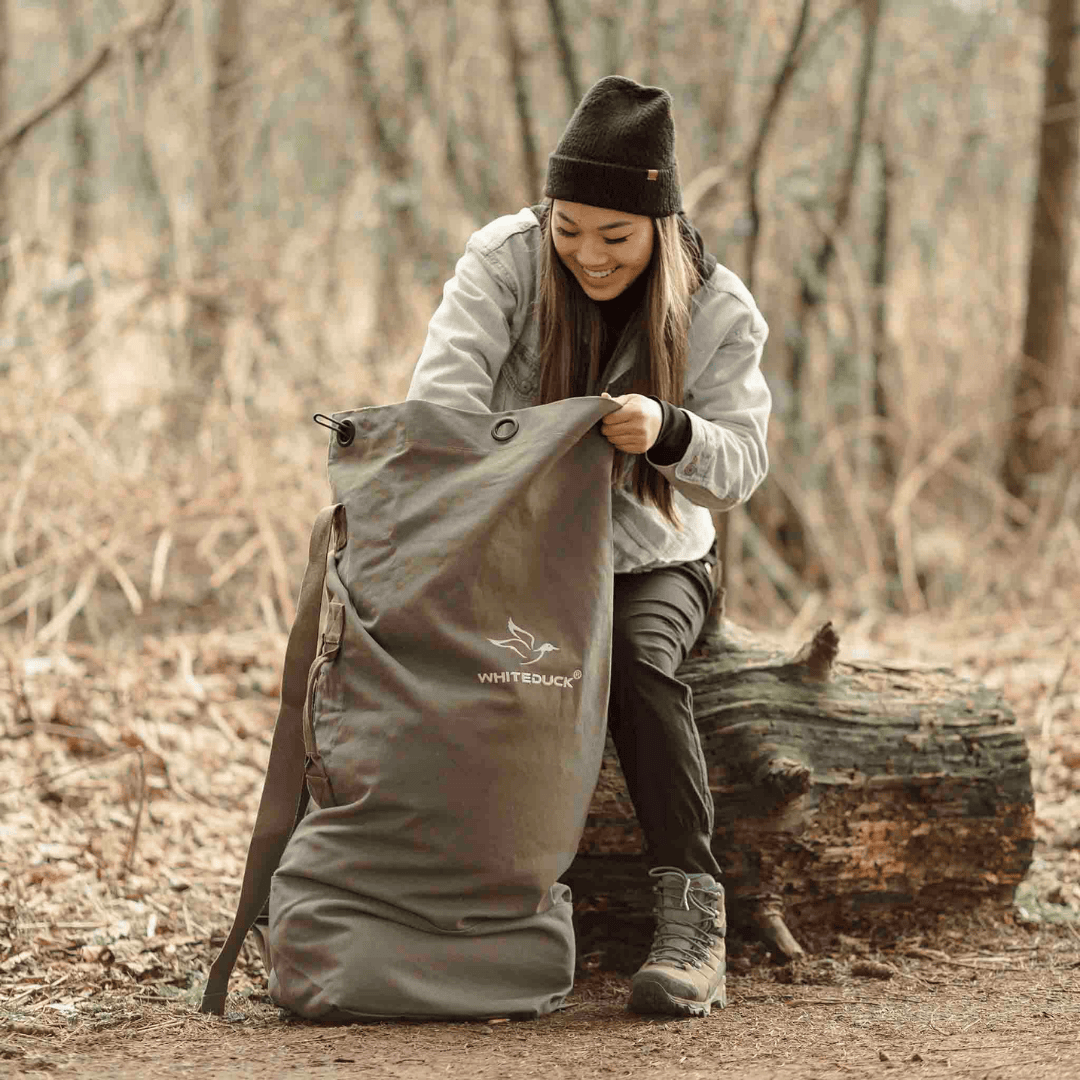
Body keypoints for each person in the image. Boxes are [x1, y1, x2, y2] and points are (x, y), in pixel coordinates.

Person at [405, 75, 771, 1018]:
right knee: (469, 676)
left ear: (661, 221)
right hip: (511, 549)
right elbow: (439, 407)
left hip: (656, 558)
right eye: (569, 229)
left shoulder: (721, 305)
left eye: (615, 237)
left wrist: (671, 430)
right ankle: (444, 922)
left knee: (637, 670)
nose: (588, 256)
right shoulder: (503, 260)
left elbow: (745, 464)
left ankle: (693, 921)